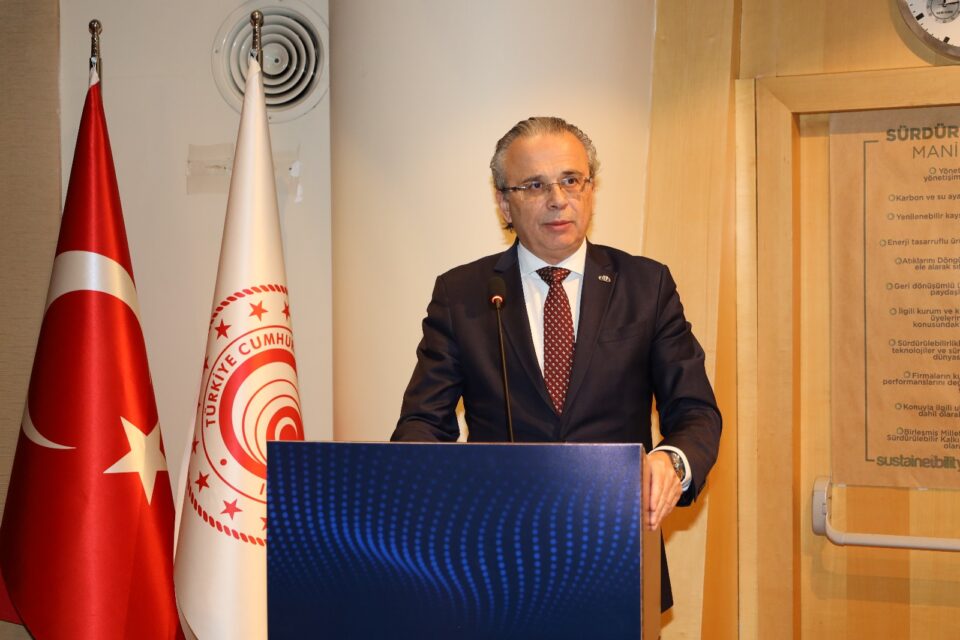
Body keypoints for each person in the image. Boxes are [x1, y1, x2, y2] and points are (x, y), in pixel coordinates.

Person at [391, 116, 721, 611]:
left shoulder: (645, 285)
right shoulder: (463, 294)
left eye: (571, 180)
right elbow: (422, 422)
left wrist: (672, 461)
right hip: (492, 566)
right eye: (534, 185)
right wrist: (434, 492)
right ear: (504, 202)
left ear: (591, 189)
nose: (557, 199)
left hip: (618, 552)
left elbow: (695, 411)